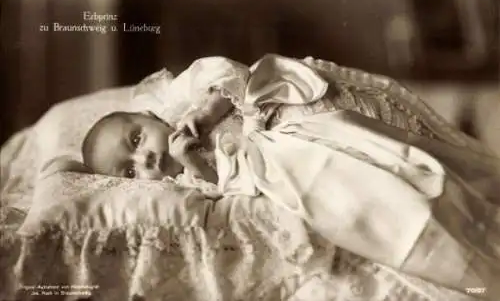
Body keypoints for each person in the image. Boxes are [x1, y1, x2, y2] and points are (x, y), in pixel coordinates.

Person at [81, 54, 500, 299]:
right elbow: (228, 184)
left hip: (280, 114)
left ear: (147, 115)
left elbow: (228, 73)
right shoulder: (182, 180)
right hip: (280, 163)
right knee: (365, 202)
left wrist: (202, 113)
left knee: (397, 153)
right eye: (132, 169)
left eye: (136, 138)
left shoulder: (179, 100)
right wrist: (193, 163)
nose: (147, 159)